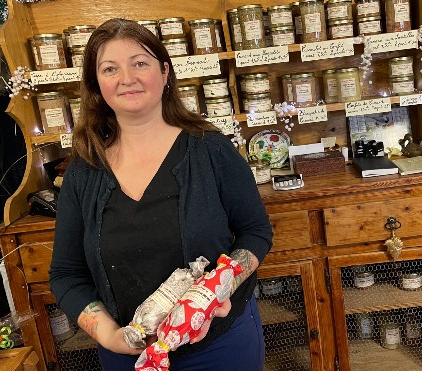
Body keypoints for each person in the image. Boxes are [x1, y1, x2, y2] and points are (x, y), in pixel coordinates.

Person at [49, 18, 273, 370]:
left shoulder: (211, 150)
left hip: (219, 349)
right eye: (110, 68)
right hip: (128, 360)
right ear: (96, 85)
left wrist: (221, 289)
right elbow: (66, 274)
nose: (127, 78)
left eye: (140, 63)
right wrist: (111, 337)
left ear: (165, 72)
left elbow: (255, 233)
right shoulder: (82, 171)